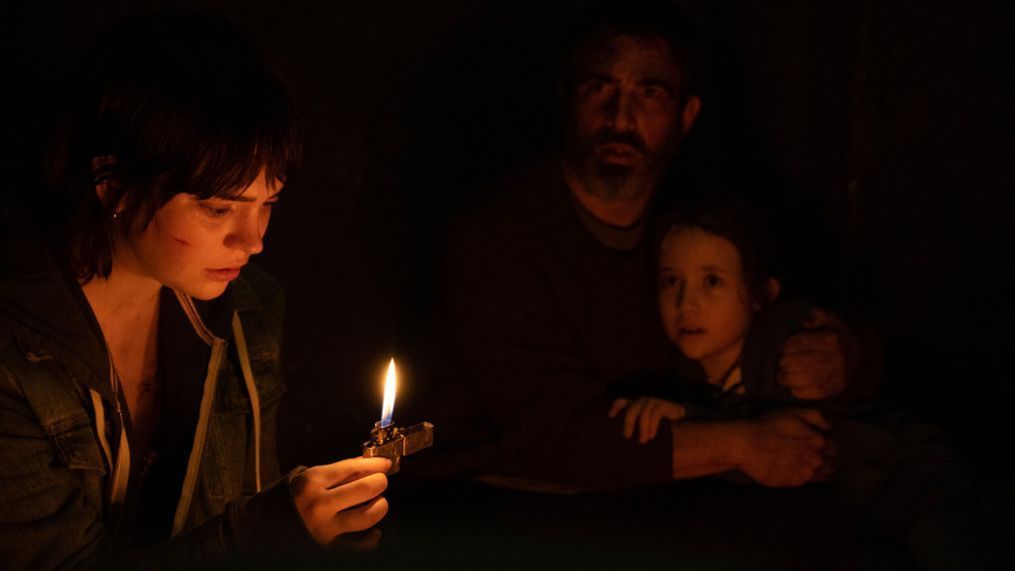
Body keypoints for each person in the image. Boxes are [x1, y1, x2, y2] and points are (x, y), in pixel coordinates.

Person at [0, 12, 389, 568]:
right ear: (115, 187)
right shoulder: (15, 359)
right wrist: (265, 533)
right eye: (218, 208)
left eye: (268, 204)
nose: (252, 241)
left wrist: (312, 535)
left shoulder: (245, 308)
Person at [425, 0, 851, 491]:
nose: (620, 117)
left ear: (686, 115)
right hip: (497, 498)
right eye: (599, 87)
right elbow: (554, 439)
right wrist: (742, 444)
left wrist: (840, 353)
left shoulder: (687, 231)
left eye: (649, 94)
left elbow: (769, 327)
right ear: (566, 97)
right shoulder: (496, 237)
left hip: (637, 492)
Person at [612, 199, 1000, 568]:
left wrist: (687, 420)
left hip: (914, 486)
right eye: (669, 281)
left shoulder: (786, 342)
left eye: (712, 281)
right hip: (850, 520)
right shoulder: (684, 375)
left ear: (761, 294)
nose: (685, 303)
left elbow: (778, 438)